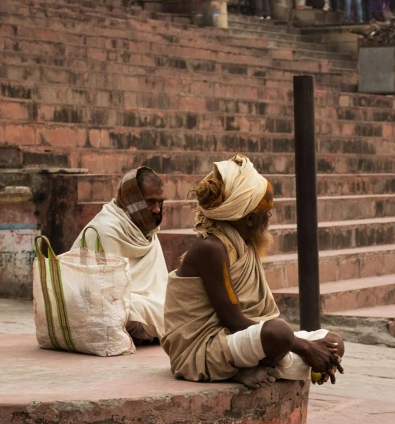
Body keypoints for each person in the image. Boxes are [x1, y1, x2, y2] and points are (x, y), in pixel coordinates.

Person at [161, 155, 345, 389]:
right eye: (266, 211)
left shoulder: (243, 242)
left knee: (334, 343)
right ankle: (245, 369)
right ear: (248, 219)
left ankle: (274, 364)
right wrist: (306, 348)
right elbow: (234, 321)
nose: (269, 217)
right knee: (279, 333)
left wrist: (311, 349)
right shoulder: (211, 248)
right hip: (205, 348)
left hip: (243, 341)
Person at [74, 167, 168, 345]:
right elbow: (98, 294)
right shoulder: (105, 229)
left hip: (145, 303)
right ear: (132, 200)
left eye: (160, 202)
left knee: (180, 306)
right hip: (108, 303)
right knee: (126, 310)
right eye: (150, 202)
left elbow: (159, 287)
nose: (156, 210)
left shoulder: (147, 231)